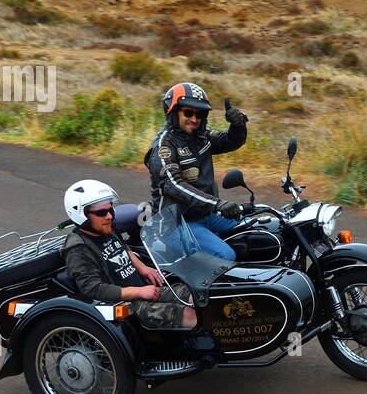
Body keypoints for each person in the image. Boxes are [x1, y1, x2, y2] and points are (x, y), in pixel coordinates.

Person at [60, 179, 197, 330]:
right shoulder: (77, 248)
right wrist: (139, 291)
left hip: (146, 290)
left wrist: (143, 267)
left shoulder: (106, 228)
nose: (109, 216)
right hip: (127, 306)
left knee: (195, 296)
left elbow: (123, 247)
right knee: (188, 315)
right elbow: (93, 289)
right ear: (82, 215)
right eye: (101, 212)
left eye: (110, 210)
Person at [144, 81, 250, 262]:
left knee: (254, 231)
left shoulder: (201, 137)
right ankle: (205, 290)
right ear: (173, 111)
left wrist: (238, 125)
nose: (194, 119)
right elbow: (174, 185)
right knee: (225, 255)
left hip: (204, 215)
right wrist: (217, 204)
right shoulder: (164, 147)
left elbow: (229, 141)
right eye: (188, 112)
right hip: (175, 224)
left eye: (199, 114)